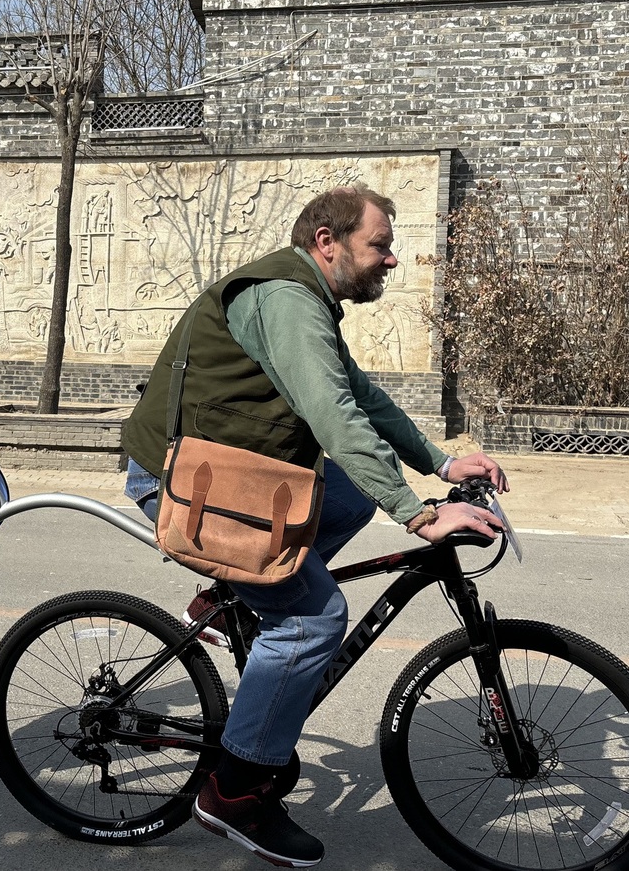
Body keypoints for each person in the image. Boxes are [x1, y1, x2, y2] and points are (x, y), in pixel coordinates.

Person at [120, 184, 509, 867]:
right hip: (183, 483)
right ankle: (232, 792)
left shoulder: (305, 298)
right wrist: (418, 513)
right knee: (311, 618)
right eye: (379, 244)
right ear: (326, 242)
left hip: (236, 476)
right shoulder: (286, 298)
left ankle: (235, 594)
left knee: (351, 495)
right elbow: (332, 414)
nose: (390, 259)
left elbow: (361, 396)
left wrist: (441, 464)